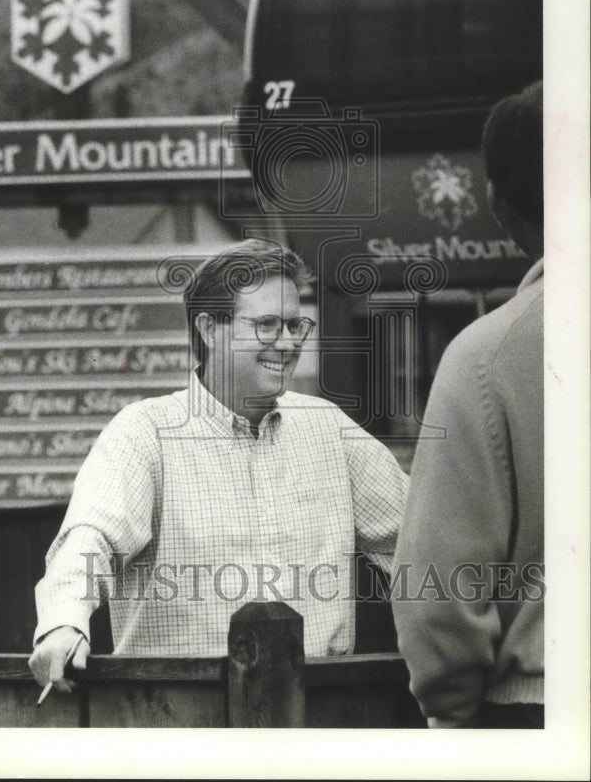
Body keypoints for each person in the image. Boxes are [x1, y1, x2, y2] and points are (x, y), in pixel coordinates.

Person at [30, 238, 408, 693]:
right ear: (209, 328)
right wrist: (64, 622)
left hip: (320, 716)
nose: (287, 343)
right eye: (267, 325)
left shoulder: (328, 429)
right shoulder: (145, 432)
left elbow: (421, 535)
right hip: (180, 719)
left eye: (294, 325)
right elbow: (92, 538)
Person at [392, 81, 545, 728]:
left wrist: (454, 719)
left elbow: (439, 596)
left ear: (499, 207)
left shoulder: (487, 356)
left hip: (543, 719)